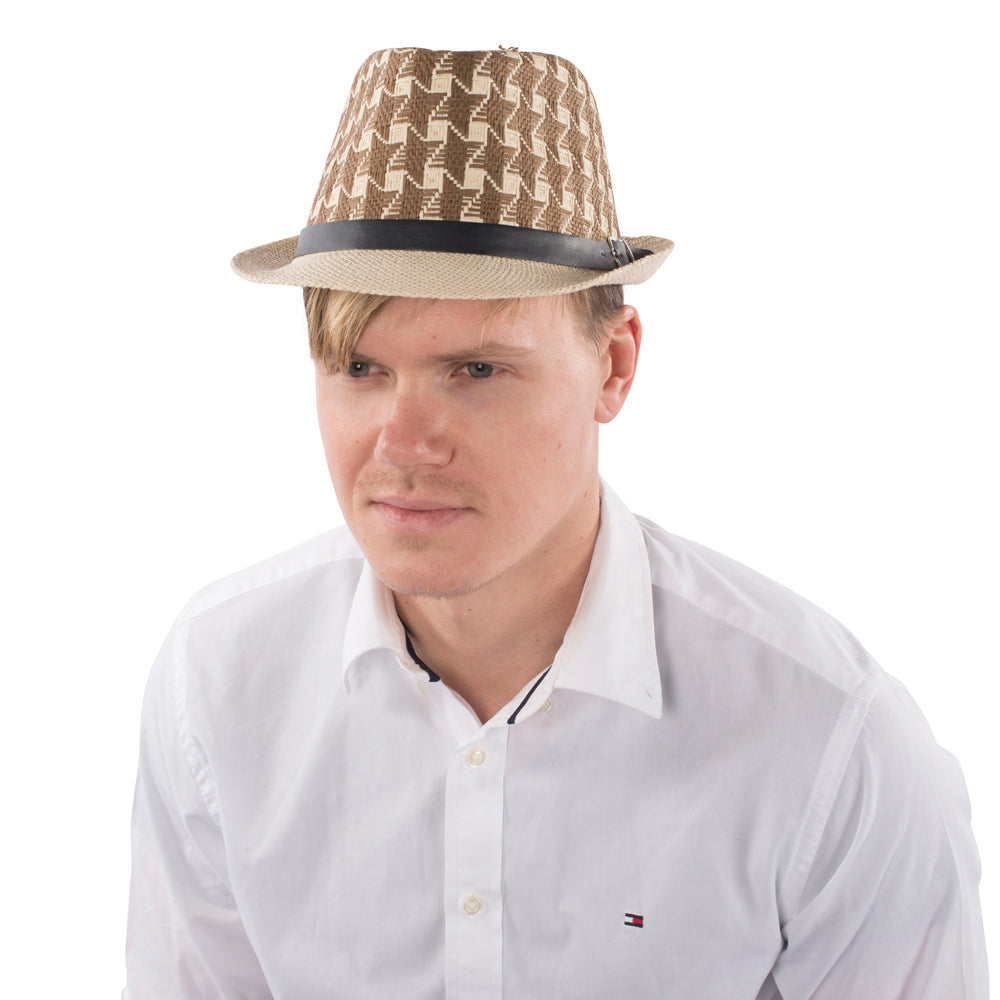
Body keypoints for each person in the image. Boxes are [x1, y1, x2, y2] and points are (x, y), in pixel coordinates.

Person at [124, 47, 989, 999]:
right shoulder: (219, 689)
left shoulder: (827, 741)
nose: (401, 442)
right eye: (360, 369)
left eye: (476, 370)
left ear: (614, 367)